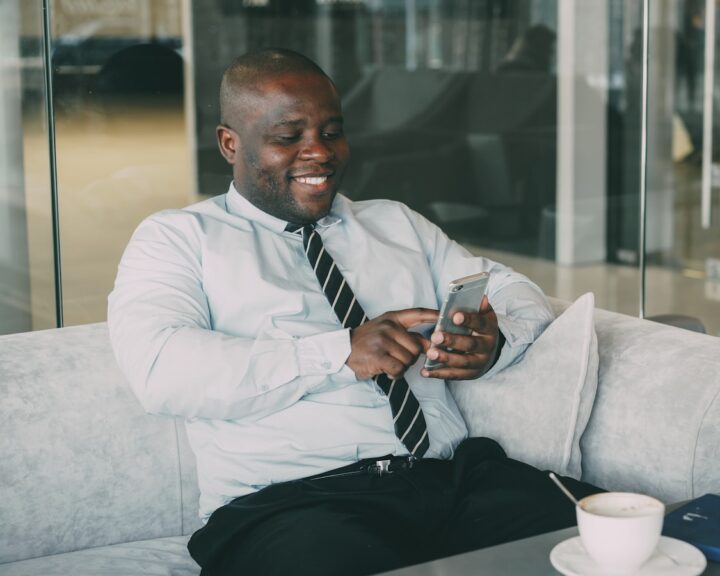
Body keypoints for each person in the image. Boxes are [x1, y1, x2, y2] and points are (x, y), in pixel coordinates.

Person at [107, 48, 601, 576]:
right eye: (288, 136)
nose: (318, 152)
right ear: (231, 143)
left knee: (630, 542)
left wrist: (493, 339)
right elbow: (160, 370)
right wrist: (342, 353)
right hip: (290, 507)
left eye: (331, 131)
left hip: (452, 482)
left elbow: (507, 287)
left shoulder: (395, 224)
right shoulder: (179, 238)